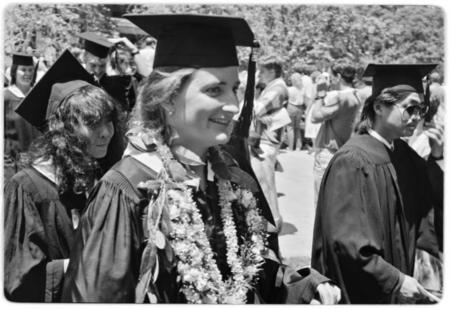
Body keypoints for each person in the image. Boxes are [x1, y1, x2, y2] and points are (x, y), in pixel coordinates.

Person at [62, 14, 340, 304]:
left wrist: (307, 287)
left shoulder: (234, 181)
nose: (233, 105)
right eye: (213, 89)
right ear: (167, 98)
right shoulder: (128, 190)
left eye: (234, 88)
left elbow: (253, 276)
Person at [311, 63, 443, 304]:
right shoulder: (353, 161)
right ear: (380, 106)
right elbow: (346, 242)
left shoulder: (403, 153)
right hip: (365, 291)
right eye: (409, 108)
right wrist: (394, 280)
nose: (416, 117)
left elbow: (430, 209)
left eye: (420, 110)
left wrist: (437, 158)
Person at [3, 50, 125, 302]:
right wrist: (89, 265)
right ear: (64, 130)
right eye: (93, 124)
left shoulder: (104, 178)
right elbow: (18, 281)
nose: (106, 133)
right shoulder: (28, 187)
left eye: (108, 121)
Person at [310, 62, 362, 206]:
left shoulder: (341, 98)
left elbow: (315, 116)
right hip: (344, 150)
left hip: (329, 152)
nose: (329, 80)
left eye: (331, 76)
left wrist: (320, 95)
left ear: (338, 76)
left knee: (322, 201)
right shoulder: (356, 95)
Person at [249, 54, 290, 233]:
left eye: (263, 71)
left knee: (266, 185)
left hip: (266, 143)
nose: (259, 74)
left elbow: (256, 110)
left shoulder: (277, 88)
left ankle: (272, 226)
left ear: (273, 71)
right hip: (265, 141)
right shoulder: (274, 87)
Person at [3, 52, 41, 179]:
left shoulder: (38, 95)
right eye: (23, 70)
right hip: (12, 164)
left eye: (30, 70)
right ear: (14, 71)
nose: (28, 73)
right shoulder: (5, 97)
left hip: (38, 163)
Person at [285, 72, 306, 150]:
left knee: (290, 128)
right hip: (300, 108)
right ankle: (298, 147)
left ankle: (290, 147)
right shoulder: (302, 90)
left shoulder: (289, 89)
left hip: (291, 107)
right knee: (297, 128)